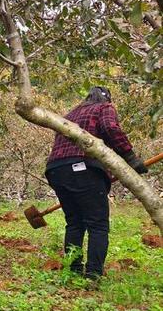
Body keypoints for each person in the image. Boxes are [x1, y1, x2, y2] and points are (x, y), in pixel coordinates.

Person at [45, 86, 147, 281]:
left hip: (56, 170)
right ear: (106, 98)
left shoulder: (70, 114)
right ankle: (93, 275)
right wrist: (130, 157)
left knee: (74, 222)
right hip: (83, 167)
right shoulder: (104, 107)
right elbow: (111, 128)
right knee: (98, 224)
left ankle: (73, 270)